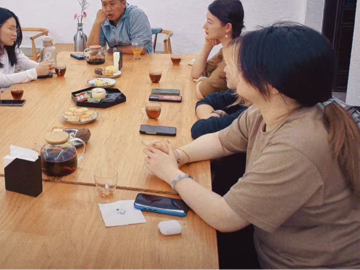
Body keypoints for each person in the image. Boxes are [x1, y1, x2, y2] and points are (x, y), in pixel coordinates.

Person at [144, 23, 360, 269]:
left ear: (273, 84)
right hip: (267, 245)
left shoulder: (298, 145)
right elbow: (221, 140)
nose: (230, 69)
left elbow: (226, 216)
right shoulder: (266, 111)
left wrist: (172, 174)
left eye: (242, 64)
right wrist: (178, 155)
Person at [0, 7, 53, 89]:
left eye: (15, 30)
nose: (15, 34)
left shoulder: (9, 47)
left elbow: (25, 63)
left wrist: (47, 68)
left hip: (9, 93)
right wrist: (35, 72)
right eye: (11, 29)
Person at [191, 44, 249, 139]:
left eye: (230, 65)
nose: (224, 70)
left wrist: (202, 80)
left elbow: (199, 129)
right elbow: (207, 101)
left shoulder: (250, 114)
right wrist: (215, 115)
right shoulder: (238, 95)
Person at [190, 0, 244, 99]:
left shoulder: (234, 54)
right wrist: (207, 45)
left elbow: (202, 91)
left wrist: (202, 80)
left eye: (210, 22)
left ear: (227, 27)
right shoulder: (225, 49)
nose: (204, 26)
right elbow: (196, 73)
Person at [87, 0, 153, 54]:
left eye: (112, 4)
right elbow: (92, 51)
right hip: (115, 60)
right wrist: (97, 23)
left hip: (141, 59)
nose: (108, 9)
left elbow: (141, 48)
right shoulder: (103, 18)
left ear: (123, 4)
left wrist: (115, 50)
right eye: (104, 4)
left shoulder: (136, 15)